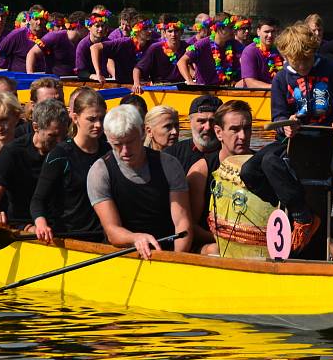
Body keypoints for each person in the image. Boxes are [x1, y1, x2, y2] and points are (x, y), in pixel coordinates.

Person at [242, 22, 333, 259]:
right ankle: (301, 212)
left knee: (269, 163)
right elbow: (277, 117)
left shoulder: (332, 69)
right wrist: (286, 125)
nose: (303, 67)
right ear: (286, 56)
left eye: (307, 61)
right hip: (292, 140)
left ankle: (301, 215)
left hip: (324, 141)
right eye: (297, 63)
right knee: (249, 171)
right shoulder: (280, 79)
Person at [87, 104, 193, 259]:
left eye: (130, 142)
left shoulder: (169, 165)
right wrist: (135, 238)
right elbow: (112, 231)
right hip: (125, 253)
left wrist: (176, 259)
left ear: (143, 132)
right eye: (117, 144)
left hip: (168, 251)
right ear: (108, 138)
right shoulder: (99, 172)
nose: (124, 151)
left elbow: (183, 223)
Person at [30, 89, 110, 243]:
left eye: (101, 118)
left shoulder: (109, 152)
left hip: (104, 239)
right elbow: (38, 200)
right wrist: (41, 224)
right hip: (69, 238)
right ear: (75, 118)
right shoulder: (60, 154)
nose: (98, 125)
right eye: (91, 119)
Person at [0, 99, 69, 225]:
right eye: (52, 136)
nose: (60, 142)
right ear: (36, 127)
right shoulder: (12, 153)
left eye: (63, 135)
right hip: (23, 225)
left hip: (62, 226)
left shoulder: (68, 149)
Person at [186, 100, 253, 251]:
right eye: (235, 130)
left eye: (247, 128)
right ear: (218, 132)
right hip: (211, 246)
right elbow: (189, 227)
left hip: (254, 243)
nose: (243, 136)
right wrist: (228, 238)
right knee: (217, 250)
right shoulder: (201, 171)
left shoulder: (264, 166)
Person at [177, 12, 243, 86]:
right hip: (205, 92)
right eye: (230, 28)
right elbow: (181, 62)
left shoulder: (235, 44)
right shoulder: (202, 44)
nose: (234, 31)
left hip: (228, 90)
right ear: (220, 29)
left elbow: (245, 59)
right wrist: (190, 81)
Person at [163, 95, 222, 174]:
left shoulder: (232, 155)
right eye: (201, 121)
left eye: (213, 121)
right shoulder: (171, 155)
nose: (207, 127)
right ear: (190, 122)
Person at [91, 17, 154, 85]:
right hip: (123, 86)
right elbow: (94, 47)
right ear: (136, 30)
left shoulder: (152, 44)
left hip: (144, 85)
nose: (150, 31)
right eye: (145, 29)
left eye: (150, 28)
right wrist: (98, 73)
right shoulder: (123, 43)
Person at [132, 15, 186, 91]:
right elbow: (137, 69)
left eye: (176, 31)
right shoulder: (155, 48)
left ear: (182, 32)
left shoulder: (188, 47)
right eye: (170, 31)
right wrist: (136, 84)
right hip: (160, 88)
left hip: (183, 87)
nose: (173, 35)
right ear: (164, 33)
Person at [26, 11, 88, 75]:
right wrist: (30, 74)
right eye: (87, 27)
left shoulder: (82, 40)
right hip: (54, 81)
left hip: (74, 80)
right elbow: (32, 53)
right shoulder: (54, 36)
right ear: (80, 27)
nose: (89, 30)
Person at [0, 5, 48, 72]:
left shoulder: (48, 36)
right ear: (28, 19)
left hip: (42, 78)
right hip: (18, 79)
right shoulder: (17, 34)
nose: (39, 22)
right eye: (36, 19)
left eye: (41, 19)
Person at [237, 17, 283, 88]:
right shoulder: (249, 51)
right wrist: (274, 87)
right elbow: (250, 83)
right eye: (266, 32)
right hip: (257, 96)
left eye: (273, 31)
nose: (270, 35)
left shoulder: (279, 50)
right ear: (258, 32)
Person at [75, 8, 113, 80]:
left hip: (108, 80)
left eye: (102, 26)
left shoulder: (108, 42)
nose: (101, 29)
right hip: (90, 83)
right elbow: (80, 72)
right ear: (89, 27)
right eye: (97, 26)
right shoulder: (82, 46)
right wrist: (94, 76)